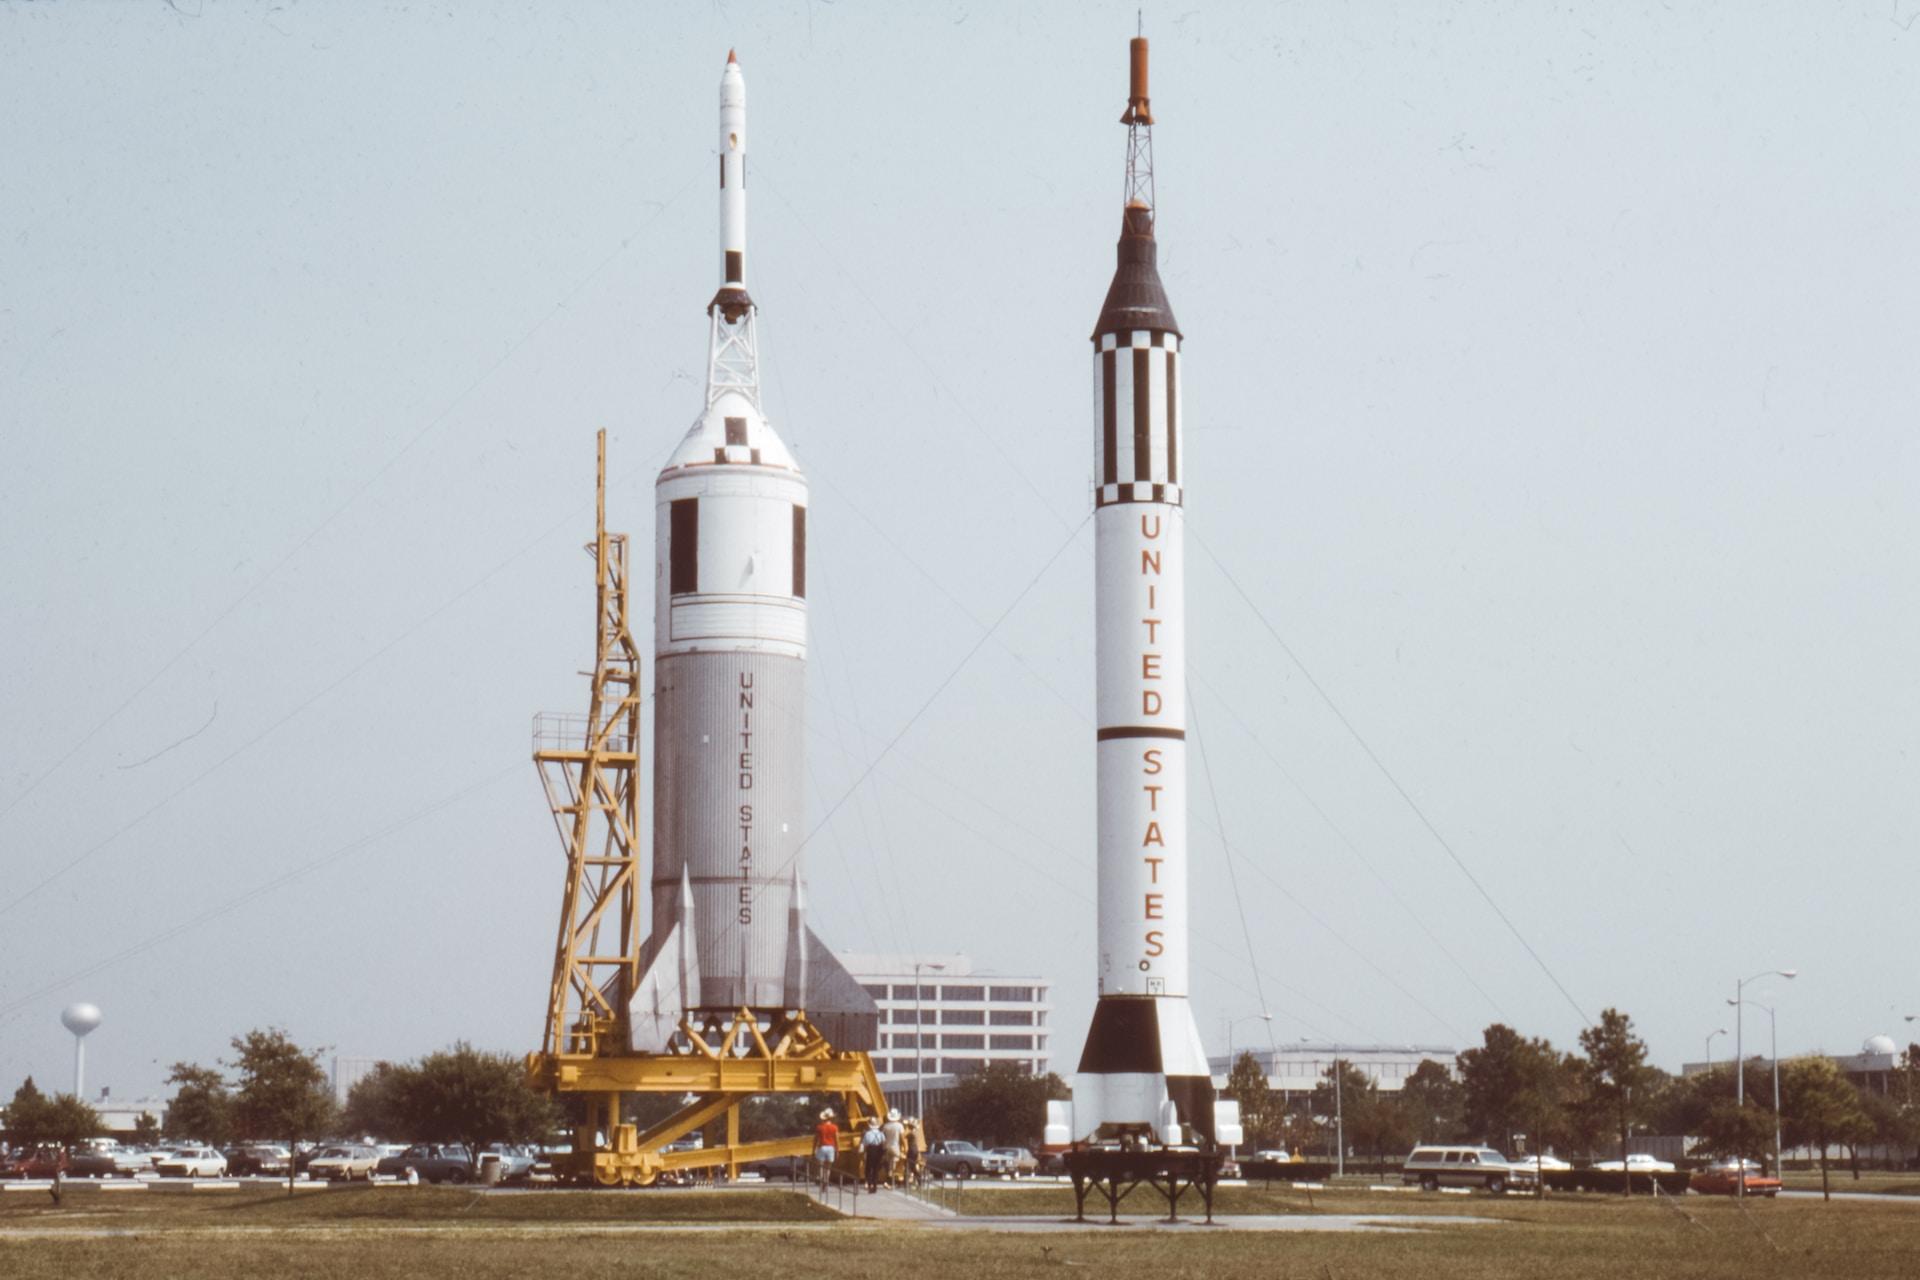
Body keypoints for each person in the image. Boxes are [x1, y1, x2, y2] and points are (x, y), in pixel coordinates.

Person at [813, 1108, 839, 1191]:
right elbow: (836, 1140)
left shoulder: (819, 1127)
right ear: (831, 1118)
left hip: (822, 1147)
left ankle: (821, 1183)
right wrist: (837, 1150)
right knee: (828, 1168)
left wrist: (813, 1149)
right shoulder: (834, 1127)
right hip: (831, 1148)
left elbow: (816, 1139)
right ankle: (826, 1182)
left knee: (820, 1167)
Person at [861, 1117, 886, 1191]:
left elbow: (865, 1144)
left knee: (868, 1168)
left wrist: (864, 1153)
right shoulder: (881, 1133)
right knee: (876, 1168)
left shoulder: (867, 1134)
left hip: (870, 1150)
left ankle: (869, 1184)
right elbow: (884, 1142)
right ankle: (875, 1184)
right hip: (878, 1150)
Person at [882, 1108, 905, 1186]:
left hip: (887, 1147)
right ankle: (896, 1181)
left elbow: (883, 1137)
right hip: (895, 1147)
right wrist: (905, 1147)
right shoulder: (899, 1126)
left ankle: (888, 1180)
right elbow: (902, 1138)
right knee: (896, 1164)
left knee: (889, 1164)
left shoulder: (885, 1126)